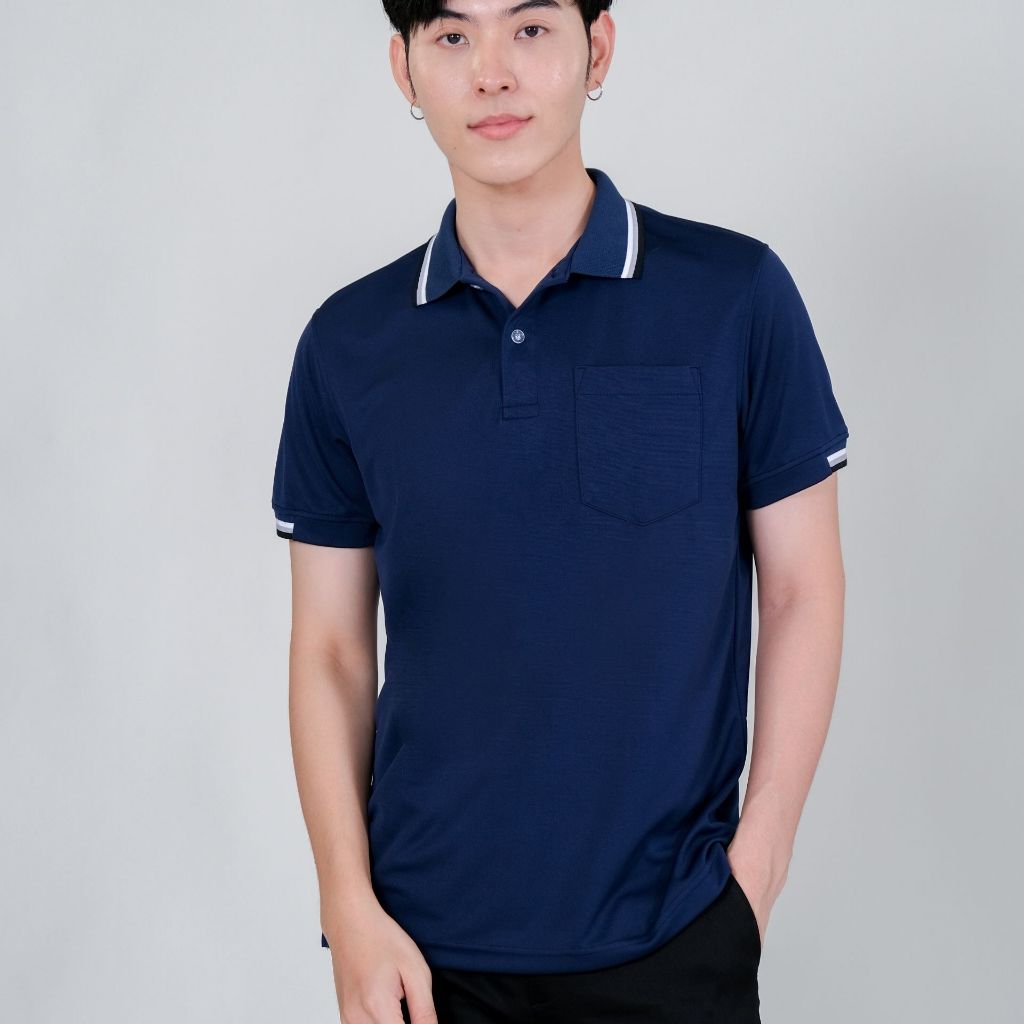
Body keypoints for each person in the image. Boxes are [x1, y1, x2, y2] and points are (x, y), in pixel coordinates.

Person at [270, 1, 849, 1021]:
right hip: (422, 955)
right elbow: (330, 649)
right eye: (452, 36)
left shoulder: (734, 296)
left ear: (598, 47)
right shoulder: (347, 343)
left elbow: (803, 588)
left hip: (673, 937)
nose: (491, 71)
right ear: (405, 70)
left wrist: (753, 875)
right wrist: (347, 905)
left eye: (530, 29)